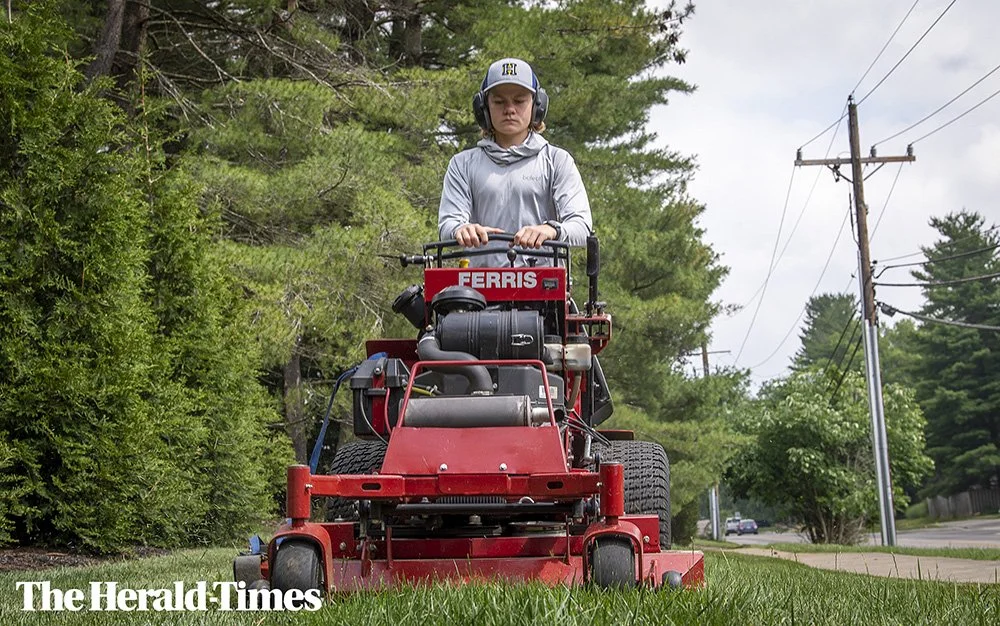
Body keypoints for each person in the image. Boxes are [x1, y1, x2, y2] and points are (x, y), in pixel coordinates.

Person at [438, 57, 593, 267]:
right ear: (483, 108)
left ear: (537, 106)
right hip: (477, 294)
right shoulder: (462, 164)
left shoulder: (557, 161)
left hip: (543, 292)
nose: (509, 109)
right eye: (499, 101)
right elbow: (448, 223)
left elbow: (582, 226)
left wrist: (551, 230)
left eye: (519, 101)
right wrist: (461, 230)